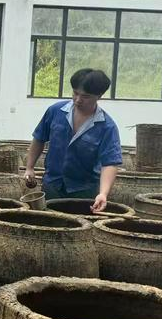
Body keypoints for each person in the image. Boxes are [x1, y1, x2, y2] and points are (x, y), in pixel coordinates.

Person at [24, 68, 122, 212]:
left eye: (85, 96)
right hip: (53, 185)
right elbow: (39, 138)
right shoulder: (55, 111)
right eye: (75, 93)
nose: (78, 99)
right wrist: (29, 167)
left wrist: (103, 193)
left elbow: (110, 163)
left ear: (99, 96)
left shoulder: (107, 126)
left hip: (84, 191)